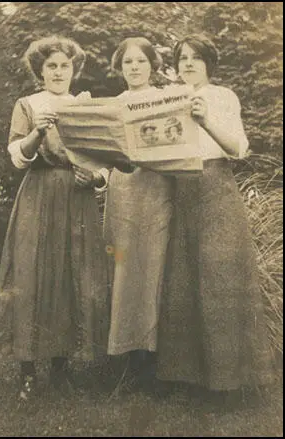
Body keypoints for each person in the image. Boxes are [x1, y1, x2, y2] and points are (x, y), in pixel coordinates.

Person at [156, 34, 273, 402]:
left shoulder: (223, 96)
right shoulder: (168, 98)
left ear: (209, 63)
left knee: (219, 279)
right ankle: (188, 380)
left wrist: (205, 120)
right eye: (183, 58)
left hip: (215, 187)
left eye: (196, 58)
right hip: (179, 190)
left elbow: (239, 149)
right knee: (182, 281)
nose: (188, 64)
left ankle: (227, 384)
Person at [0, 36, 110, 401]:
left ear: (74, 69)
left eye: (65, 66)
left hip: (77, 199)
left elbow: (105, 159)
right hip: (39, 195)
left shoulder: (85, 105)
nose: (59, 72)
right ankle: (27, 370)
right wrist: (38, 132)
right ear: (40, 71)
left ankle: (61, 369)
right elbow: (18, 156)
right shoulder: (28, 105)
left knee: (69, 274)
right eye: (52, 67)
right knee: (31, 273)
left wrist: (92, 176)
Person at [104, 37, 175, 391]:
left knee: (154, 270)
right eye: (128, 62)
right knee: (124, 270)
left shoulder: (167, 99)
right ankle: (127, 359)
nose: (134, 68)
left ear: (152, 66)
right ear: (120, 68)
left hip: (156, 189)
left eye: (141, 62)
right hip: (123, 192)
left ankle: (153, 362)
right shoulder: (112, 105)